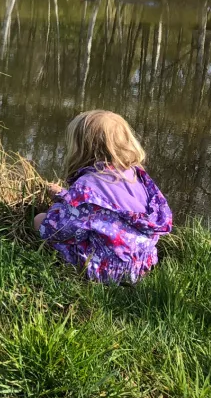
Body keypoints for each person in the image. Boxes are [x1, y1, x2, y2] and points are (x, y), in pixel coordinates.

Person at [33, 110, 173, 283]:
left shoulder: (87, 185)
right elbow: (104, 209)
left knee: (40, 220)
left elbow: (62, 230)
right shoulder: (136, 177)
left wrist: (55, 209)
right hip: (142, 263)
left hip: (110, 270)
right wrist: (65, 196)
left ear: (82, 148)